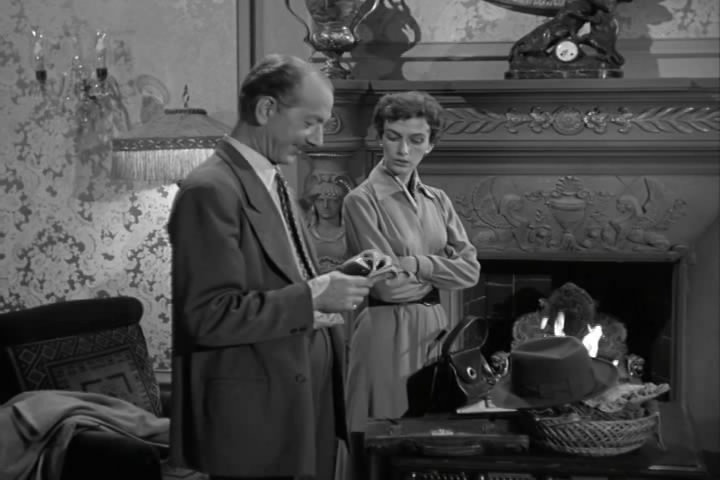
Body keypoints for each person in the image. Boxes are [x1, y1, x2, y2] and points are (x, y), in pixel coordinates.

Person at [167, 54, 383, 480]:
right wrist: (314, 297)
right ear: (266, 109)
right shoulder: (209, 191)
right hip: (254, 423)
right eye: (310, 122)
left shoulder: (274, 181)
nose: (318, 139)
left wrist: (343, 275)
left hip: (300, 407)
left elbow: (283, 279)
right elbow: (206, 316)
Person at [340, 90, 481, 479]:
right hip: (385, 330)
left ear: (430, 144)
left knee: (430, 439)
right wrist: (438, 272)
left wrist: (415, 264)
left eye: (416, 140)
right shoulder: (361, 200)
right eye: (393, 137)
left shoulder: (439, 200)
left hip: (435, 330)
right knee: (385, 439)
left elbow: (471, 271)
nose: (403, 150)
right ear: (380, 138)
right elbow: (387, 287)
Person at [304, 177, 352, 274]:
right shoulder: (305, 233)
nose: (325, 205)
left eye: (333, 201)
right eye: (320, 200)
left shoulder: (350, 234)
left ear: (341, 203)